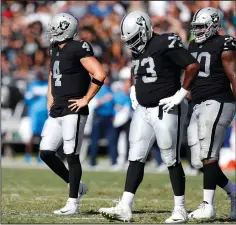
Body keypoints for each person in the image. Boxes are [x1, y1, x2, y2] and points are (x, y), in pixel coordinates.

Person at [99, 10, 200, 223]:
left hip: (166, 107)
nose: (132, 44)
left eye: (135, 38)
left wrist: (181, 93)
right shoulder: (139, 48)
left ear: (145, 29)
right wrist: (135, 89)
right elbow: (140, 71)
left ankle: (180, 209)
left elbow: (192, 65)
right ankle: (125, 206)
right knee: (135, 156)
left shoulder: (166, 42)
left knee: (170, 158)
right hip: (143, 109)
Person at [39, 13, 106, 215]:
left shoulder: (79, 47)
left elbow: (100, 74)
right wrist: (49, 98)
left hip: (73, 109)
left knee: (72, 155)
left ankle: (73, 203)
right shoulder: (55, 48)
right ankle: (77, 186)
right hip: (57, 107)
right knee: (46, 152)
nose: (51, 30)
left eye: (55, 27)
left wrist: (86, 99)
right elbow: (52, 74)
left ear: (65, 28)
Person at [185, 7, 236, 220]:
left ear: (214, 25)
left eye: (202, 26)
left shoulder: (225, 43)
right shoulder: (193, 44)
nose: (198, 31)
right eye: (196, 27)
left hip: (219, 101)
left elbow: (234, 76)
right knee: (198, 161)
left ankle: (208, 205)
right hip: (197, 104)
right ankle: (233, 192)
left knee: (208, 154)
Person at [24, 72, 48, 163]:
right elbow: (26, 99)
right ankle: (28, 155)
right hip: (34, 114)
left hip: (45, 114)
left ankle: (40, 156)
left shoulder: (48, 85)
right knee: (31, 135)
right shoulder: (32, 86)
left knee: (43, 136)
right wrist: (33, 96)